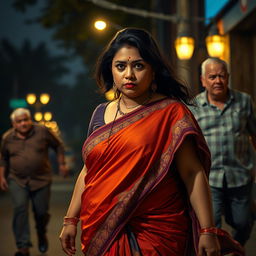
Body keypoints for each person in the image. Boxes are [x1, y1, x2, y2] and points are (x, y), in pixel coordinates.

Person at [59, 28, 244, 256]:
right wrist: (70, 220)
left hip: (157, 231)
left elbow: (192, 172)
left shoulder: (171, 113)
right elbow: (89, 171)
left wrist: (207, 230)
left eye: (138, 65)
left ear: (153, 70)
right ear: (111, 70)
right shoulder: (99, 113)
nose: (129, 75)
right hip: (102, 226)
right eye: (121, 66)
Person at [190, 57, 256, 249]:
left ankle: (235, 247)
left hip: (240, 175)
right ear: (203, 80)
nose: (217, 81)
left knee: (244, 222)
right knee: (211, 227)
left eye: (221, 76)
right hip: (210, 179)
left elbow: (254, 133)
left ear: (228, 77)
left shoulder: (244, 101)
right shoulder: (193, 107)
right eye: (212, 77)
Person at [0, 108, 69, 256]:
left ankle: (41, 233)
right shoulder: (7, 138)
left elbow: (58, 145)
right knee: (20, 209)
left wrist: (62, 164)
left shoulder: (42, 131)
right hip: (17, 180)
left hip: (41, 180)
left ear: (30, 119)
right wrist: (2, 177)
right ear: (13, 124)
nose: (23, 123)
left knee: (41, 212)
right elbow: (3, 159)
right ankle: (22, 246)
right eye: (19, 121)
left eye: (26, 119)